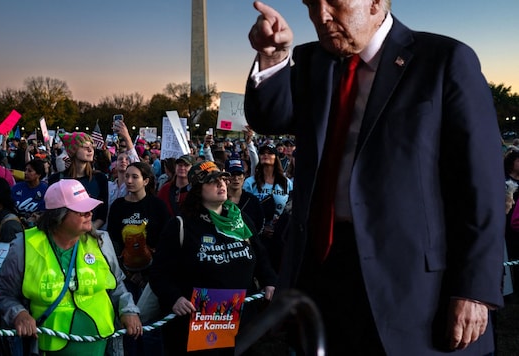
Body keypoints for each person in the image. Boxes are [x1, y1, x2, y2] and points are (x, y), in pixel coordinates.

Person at [245, 1, 505, 354]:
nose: (321, 16)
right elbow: (271, 118)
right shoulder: (309, 62)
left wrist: (475, 288)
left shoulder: (444, 59)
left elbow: (482, 184)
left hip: (416, 288)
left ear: (376, 3)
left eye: (334, 2)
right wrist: (273, 58)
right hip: (322, 275)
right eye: (312, 4)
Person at [0, 179, 142, 355]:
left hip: (103, 345)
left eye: (89, 207)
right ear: (59, 215)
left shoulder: (101, 242)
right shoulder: (24, 246)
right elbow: (3, 294)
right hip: (47, 348)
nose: (89, 213)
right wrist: (19, 314)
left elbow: (117, 285)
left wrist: (128, 310)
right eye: (81, 210)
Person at [149, 160, 277, 355]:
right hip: (199, 323)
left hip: (243, 318)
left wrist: (269, 281)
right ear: (198, 189)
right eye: (212, 181)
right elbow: (159, 273)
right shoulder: (180, 226)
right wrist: (174, 298)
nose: (221, 184)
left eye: (222, 179)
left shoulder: (240, 219)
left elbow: (261, 257)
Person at [107, 162, 169, 355]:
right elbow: (113, 242)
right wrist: (126, 273)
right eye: (127, 176)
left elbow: (166, 241)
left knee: (150, 326)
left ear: (146, 181)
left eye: (135, 177)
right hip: (127, 276)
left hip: (152, 276)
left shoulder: (156, 205)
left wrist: (150, 274)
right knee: (130, 324)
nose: (130, 180)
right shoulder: (118, 206)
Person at [49, 132, 109, 230]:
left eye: (92, 146)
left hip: (89, 233)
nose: (90, 150)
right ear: (73, 151)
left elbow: (102, 215)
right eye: (84, 147)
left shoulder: (100, 178)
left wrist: (90, 229)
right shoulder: (56, 179)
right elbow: (52, 213)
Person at [11, 159, 48, 227]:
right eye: (25, 170)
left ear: (38, 174)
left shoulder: (45, 190)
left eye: (29, 171)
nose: (25, 173)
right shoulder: (17, 187)